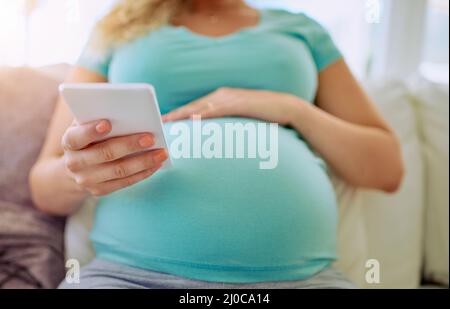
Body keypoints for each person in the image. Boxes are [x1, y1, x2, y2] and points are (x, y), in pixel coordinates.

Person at [30, 0, 404, 289]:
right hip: (129, 277)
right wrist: (77, 170)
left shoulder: (301, 30)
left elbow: (387, 170)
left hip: (306, 279)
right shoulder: (114, 32)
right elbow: (44, 185)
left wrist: (293, 109)